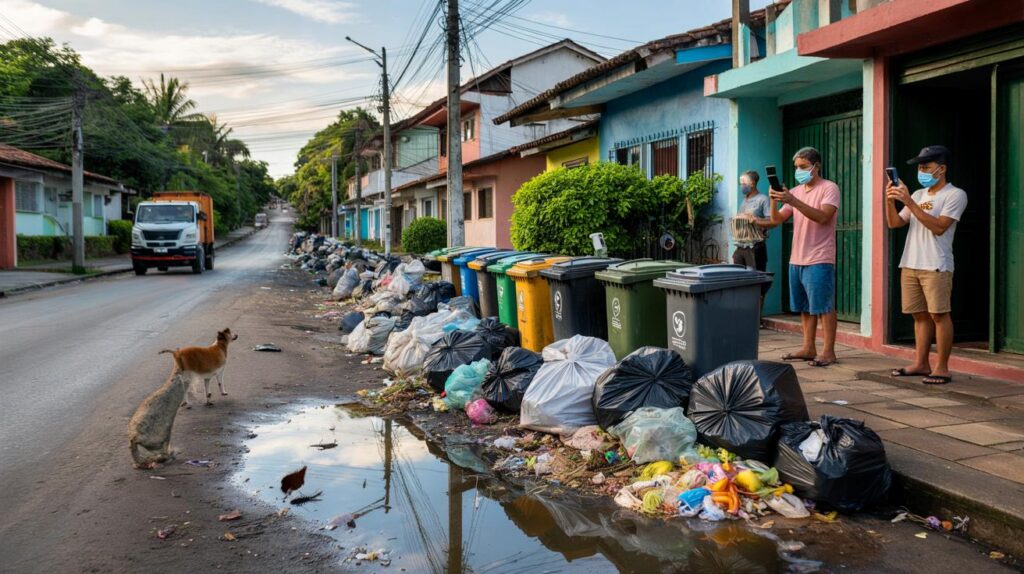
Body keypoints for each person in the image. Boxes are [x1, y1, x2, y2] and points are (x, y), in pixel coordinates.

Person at [885, 145, 967, 385]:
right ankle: (921, 363)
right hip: (911, 262)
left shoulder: (955, 194)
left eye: (926, 167)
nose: (921, 171)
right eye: (920, 167)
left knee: (939, 315)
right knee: (919, 316)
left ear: (941, 169)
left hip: (936, 264)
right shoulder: (919, 194)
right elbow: (894, 223)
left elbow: (939, 226)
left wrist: (909, 202)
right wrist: (889, 200)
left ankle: (942, 368)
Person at [769, 147, 840, 367]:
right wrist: (774, 199)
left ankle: (828, 352)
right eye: (796, 167)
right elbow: (776, 219)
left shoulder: (829, 188)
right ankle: (809, 347)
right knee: (805, 307)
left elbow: (823, 216)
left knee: (824, 307)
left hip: (819, 257)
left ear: (816, 166)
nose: (798, 171)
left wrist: (793, 200)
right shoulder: (795, 191)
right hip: (797, 258)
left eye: (803, 166)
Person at [731, 170, 778, 309]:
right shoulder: (744, 201)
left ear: (752, 183)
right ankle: (743, 314)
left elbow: (772, 221)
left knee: (756, 284)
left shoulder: (763, 199)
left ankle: (756, 317)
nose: (741, 186)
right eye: (740, 183)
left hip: (755, 247)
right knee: (738, 282)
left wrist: (755, 220)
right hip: (740, 247)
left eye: (743, 183)